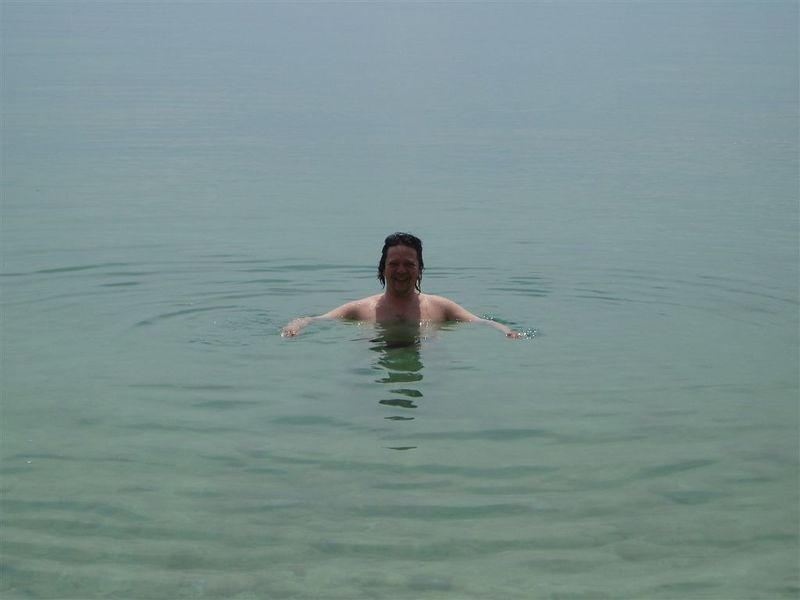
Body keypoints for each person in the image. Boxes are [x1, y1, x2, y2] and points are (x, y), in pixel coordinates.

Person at [280, 232, 523, 338]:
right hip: (376, 358)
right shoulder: (360, 309)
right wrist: (294, 326)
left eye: (409, 264)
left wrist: (507, 332)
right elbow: (316, 319)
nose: (401, 271)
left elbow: (481, 322)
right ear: (382, 268)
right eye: (394, 264)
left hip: (424, 358)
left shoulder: (440, 307)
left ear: (419, 269)